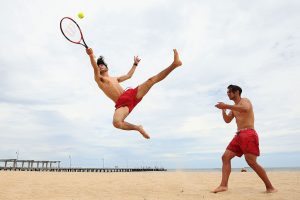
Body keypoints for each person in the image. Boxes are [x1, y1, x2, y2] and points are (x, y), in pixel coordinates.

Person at [86, 48, 182, 139]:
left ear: (107, 67)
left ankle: (175, 64)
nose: (100, 66)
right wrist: (91, 56)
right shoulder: (100, 79)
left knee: (151, 80)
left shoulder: (115, 79)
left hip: (130, 95)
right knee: (116, 123)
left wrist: (135, 64)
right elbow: (95, 68)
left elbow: (128, 75)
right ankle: (138, 128)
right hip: (122, 104)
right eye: (98, 66)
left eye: (102, 64)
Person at [213, 85, 277, 193]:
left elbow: (246, 109)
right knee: (225, 157)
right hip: (238, 135)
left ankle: (270, 187)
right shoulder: (233, 108)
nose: (228, 94)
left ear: (236, 92)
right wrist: (223, 110)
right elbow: (227, 120)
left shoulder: (245, 101)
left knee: (251, 162)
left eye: (229, 92)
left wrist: (227, 106)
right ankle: (223, 185)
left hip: (249, 133)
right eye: (227, 92)